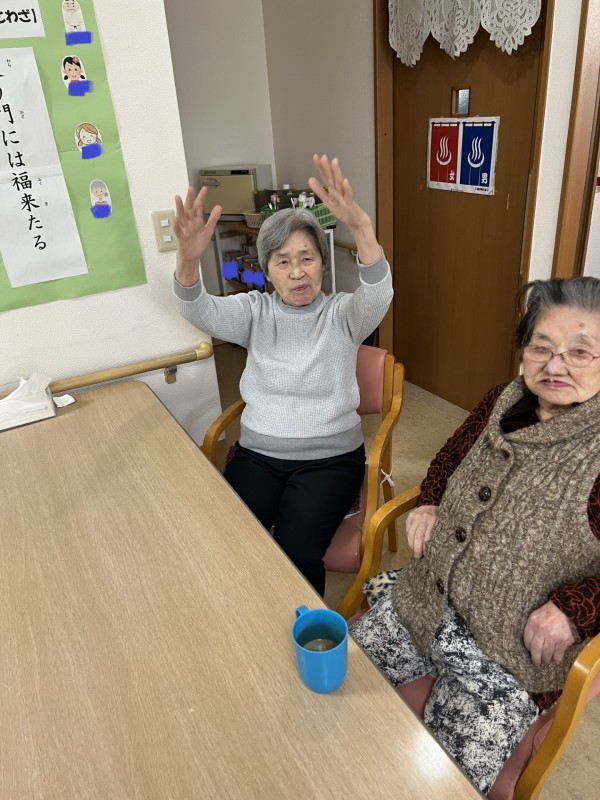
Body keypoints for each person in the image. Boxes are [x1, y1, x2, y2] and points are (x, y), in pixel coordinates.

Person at [351, 276, 600, 795]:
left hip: (505, 660)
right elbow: (448, 455)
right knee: (335, 690)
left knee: (440, 785)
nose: (555, 366)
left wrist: (575, 608)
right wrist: (430, 500)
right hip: (422, 602)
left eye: (581, 353)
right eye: (541, 347)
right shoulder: (503, 399)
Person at [172, 154, 393, 595]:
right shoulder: (253, 311)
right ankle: (247, 612)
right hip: (258, 455)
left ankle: (301, 624)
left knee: (297, 551)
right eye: (283, 261)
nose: (297, 273)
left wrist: (362, 229)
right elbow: (199, 309)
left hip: (330, 459)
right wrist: (187, 262)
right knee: (232, 536)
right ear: (266, 270)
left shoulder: (343, 315)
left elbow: (378, 293)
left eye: (307, 258)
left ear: (322, 263)